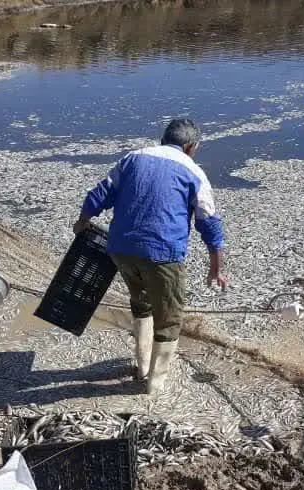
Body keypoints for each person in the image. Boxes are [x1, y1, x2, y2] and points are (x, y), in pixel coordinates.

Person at [73, 118, 226, 393]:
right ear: (191, 147)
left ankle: (142, 365)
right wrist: (216, 267)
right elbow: (209, 222)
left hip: (120, 250)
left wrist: (82, 222)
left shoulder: (132, 158)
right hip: (162, 254)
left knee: (141, 301)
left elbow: (100, 193)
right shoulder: (194, 171)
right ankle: (155, 384)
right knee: (169, 316)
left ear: (163, 139)